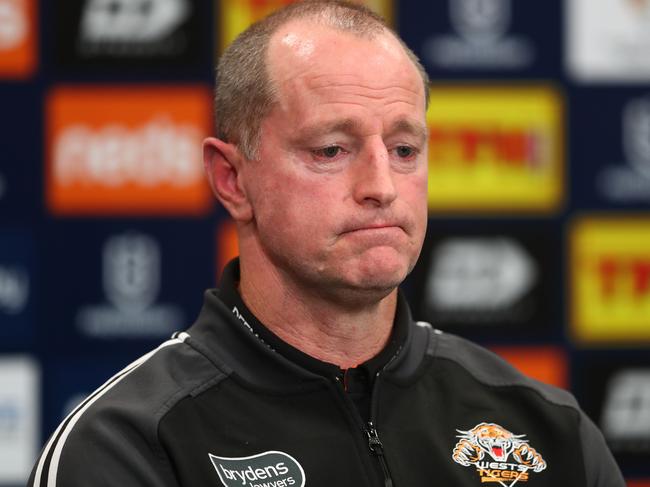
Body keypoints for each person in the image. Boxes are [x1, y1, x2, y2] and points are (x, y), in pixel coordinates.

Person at [30, 1, 625, 486]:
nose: (381, 188)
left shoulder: (546, 428)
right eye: (331, 150)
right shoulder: (130, 444)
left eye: (404, 149)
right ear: (232, 180)